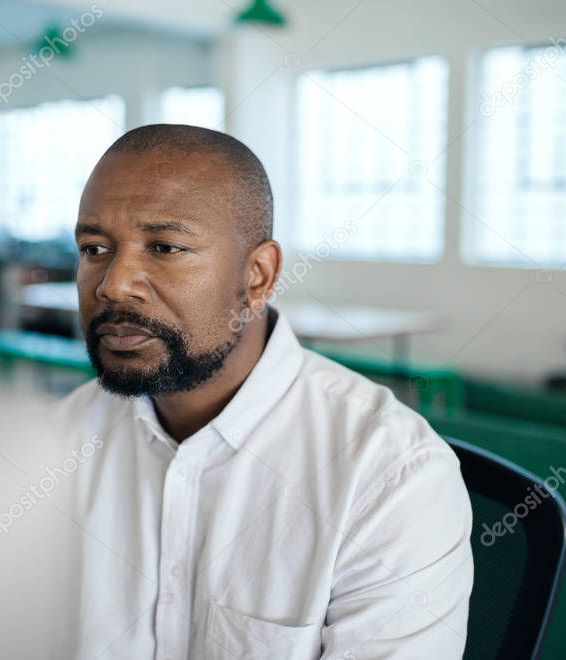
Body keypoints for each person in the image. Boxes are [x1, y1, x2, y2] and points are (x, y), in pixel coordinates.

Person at [51, 124, 473, 658]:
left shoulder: (389, 474)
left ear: (257, 275)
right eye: (94, 248)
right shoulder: (56, 444)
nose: (113, 283)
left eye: (164, 246)